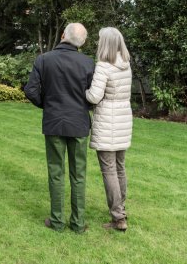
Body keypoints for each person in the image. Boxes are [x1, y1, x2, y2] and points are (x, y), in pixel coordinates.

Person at [24, 23, 95, 234]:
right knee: (79, 174)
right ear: (82, 43)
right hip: (79, 123)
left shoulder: (44, 59)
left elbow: (31, 91)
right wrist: (84, 107)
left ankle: (57, 221)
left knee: (56, 173)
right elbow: (94, 95)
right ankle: (78, 223)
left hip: (54, 122)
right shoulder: (88, 63)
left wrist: (47, 105)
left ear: (63, 35)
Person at [85, 27, 133, 232]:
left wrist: (83, 91)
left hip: (107, 121)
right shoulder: (126, 65)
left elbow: (94, 96)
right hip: (123, 119)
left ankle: (118, 217)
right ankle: (121, 209)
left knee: (109, 170)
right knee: (120, 167)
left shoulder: (103, 66)